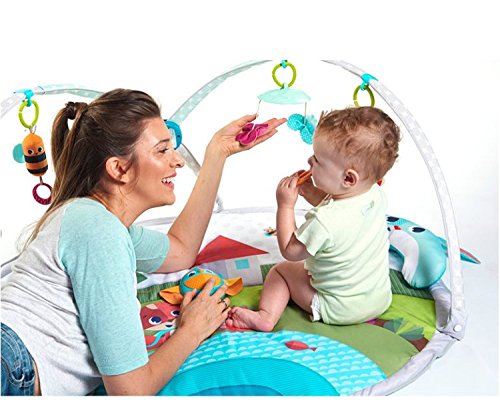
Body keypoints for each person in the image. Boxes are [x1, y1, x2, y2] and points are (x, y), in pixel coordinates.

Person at [0, 88, 286, 396]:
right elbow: (130, 391)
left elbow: (181, 251)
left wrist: (217, 153)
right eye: (162, 151)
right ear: (119, 169)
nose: (177, 161)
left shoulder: (101, 223)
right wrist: (192, 330)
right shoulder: (98, 231)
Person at [226, 106, 401, 331]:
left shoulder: (323, 222)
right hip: (378, 299)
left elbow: (290, 250)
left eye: (317, 160)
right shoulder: (375, 194)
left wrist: (285, 206)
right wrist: (310, 191)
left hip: (337, 308)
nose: (310, 161)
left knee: (282, 270)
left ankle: (265, 317)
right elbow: (340, 213)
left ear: (348, 178)